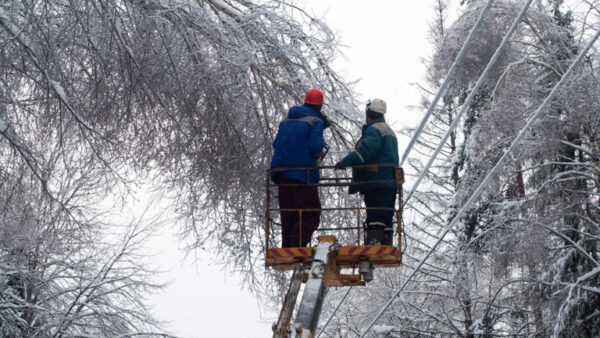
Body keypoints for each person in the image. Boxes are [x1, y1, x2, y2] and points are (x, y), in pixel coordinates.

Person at [270, 88, 330, 247]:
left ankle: (289, 248)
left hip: (281, 174)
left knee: (289, 214)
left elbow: (276, 144)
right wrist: (318, 155)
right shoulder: (315, 121)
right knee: (311, 214)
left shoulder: (286, 119)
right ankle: (298, 242)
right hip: (303, 175)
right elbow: (315, 147)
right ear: (320, 106)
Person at [334, 98, 399, 245]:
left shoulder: (374, 130)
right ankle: (385, 242)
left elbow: (366, 150)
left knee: (376, 215)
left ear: (369, 112)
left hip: (375, 181)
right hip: (389, 182)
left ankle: (375, 241)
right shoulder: (388, 130)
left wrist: (346, 161)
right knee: (386, 215)